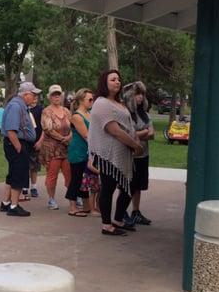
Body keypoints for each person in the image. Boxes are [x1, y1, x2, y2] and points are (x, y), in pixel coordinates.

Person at [88, 70, 143, 236]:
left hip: (124, 154)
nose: (117, 82)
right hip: (108, 155)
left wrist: (135, 140)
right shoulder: (101, 103)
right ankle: (106, 225)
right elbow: (114, 130)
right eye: (113, 79)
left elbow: (129, 126)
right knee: (108, 188)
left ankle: (118, 219)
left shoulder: (119, 103)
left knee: (130, 186)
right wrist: (134, 144)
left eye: (118, 79)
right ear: (104, 83)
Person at [0, 82, 40, 217]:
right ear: (26, 94)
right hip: (16, 144)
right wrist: (19, 147)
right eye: (33, 94)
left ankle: (6, 203)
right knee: (18, 174)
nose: (35, 97)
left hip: (18, 144)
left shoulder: (20, 105)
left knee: (13, 173)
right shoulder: (16, 106)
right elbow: (11, 130)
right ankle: (14, 206)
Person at [123, 81, 154, 225]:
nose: (140, 97)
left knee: (139, 185)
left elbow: (152, 134)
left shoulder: (145, 115)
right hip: (130, 156)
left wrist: (140, 133)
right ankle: (121, 211)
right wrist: (144, 132)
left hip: (143, 155)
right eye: (137, 94)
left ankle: (135, 211)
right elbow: (129, 134)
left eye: (142, 94)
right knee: (128, 185)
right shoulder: (125, 114)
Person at [38, 84, 72, 210]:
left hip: (67, 148)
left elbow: (73, 126)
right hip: (52, 149)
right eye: (54, 95)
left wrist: (69, 137)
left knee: (69, 174)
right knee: (52, 175)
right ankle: (51, 199)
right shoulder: (46, 111)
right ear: (49, 97)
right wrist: (62, 138)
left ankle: (73, 198)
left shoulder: (67, 111)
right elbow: (48, 129)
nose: (56, 97)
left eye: (58, 94)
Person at [65, 88, 95, 216]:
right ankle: (72, 207)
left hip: (86, 151)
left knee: (84, 179)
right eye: (90, 99)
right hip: (78, 151)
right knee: (76, 179)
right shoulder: (77, 116)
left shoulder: (89, 113)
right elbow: (87, 136)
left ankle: (86, 205)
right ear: (82, 101)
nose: (92, 101)